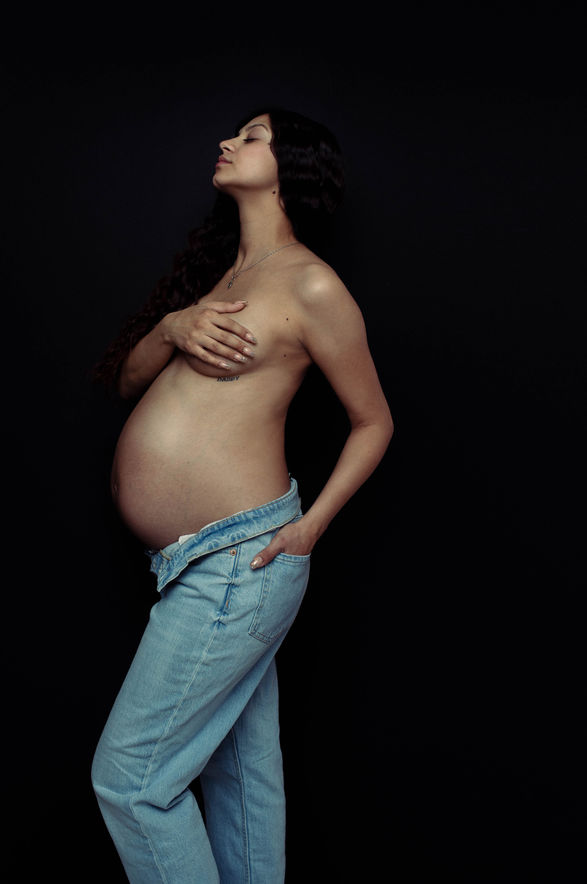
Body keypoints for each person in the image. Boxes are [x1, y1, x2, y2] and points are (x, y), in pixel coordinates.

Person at [91, 107, 393, 883]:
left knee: (132, 783)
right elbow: (126, 384)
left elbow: (373, 421)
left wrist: (311, 527)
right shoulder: (221, 277)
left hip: (241, 562)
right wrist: (173, 326)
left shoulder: (310, 283)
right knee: (240, 781)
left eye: (252, 136)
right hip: (200, 563)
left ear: (291, 165)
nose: (228, 142)